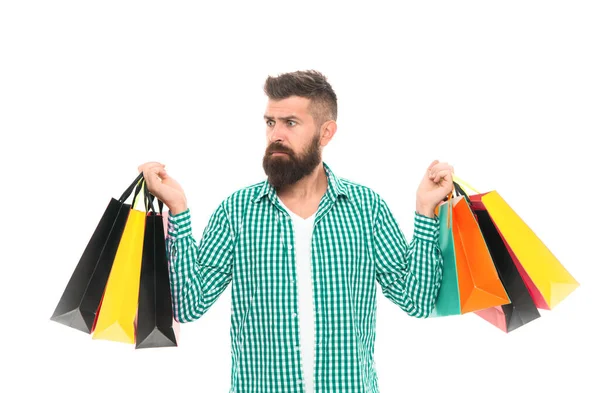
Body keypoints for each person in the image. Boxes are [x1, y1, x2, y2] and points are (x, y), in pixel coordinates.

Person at [139, 70, 453, 393]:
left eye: (290, 123)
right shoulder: (237, 212)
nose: (276, 135)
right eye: (270, 123)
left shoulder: (367, 209)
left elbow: (417, 300)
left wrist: (424, 209)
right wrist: (178, 209)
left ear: (326, 133)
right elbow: (189, 304)